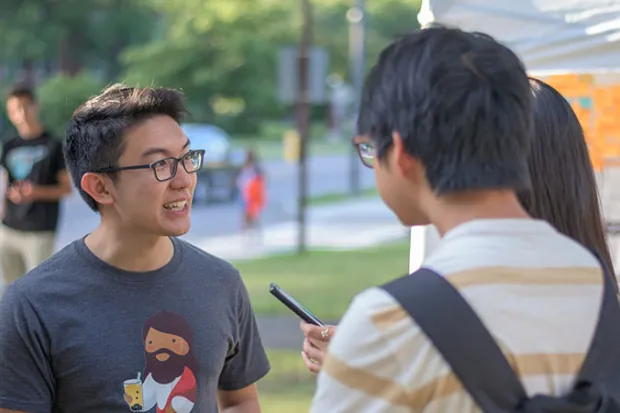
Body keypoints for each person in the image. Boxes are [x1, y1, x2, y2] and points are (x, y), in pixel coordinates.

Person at [306, 26, 614, 412]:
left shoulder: (386, 324)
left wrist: (360, 364)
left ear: (400, 153)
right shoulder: (593, 283)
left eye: (369, 149)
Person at [0, 84, 270, 413]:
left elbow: (240, 402)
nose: (184, 179)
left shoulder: (222, 283)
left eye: (186, 157)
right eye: (160, 165)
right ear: (100, 187)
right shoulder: (31, 307)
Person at [0, 84, 71, 287]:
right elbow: (6, 181)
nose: (20, 114)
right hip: (8, 229)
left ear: (35, 106)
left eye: (25, 107)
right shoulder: (9, 144)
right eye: (14, 110)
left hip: (40, 230)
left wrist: (36, 193)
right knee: (11, 291)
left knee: (36, 289)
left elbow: (66, 189)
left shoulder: (53, 144)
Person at [236, 149, 266, 232]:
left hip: (252, 194)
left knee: (252, 214)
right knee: (245, 214)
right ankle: (246, 231)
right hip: (244, 193)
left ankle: (253, 230)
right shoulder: (245, 167)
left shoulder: (256, 168)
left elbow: (260, 182)